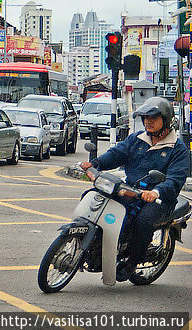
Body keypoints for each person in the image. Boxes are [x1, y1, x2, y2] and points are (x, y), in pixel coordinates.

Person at [79, 97, 190, 281]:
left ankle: (132, 262)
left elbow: (175, 179)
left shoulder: (177, 149)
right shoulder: (137, 139)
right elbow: (116, 154)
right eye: (146, 117)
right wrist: (94, 164)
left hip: (159, 199)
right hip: (131, 189)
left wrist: (156, 192)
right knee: (95, 198)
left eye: (154, 118)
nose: (148, 121)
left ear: (166, 120)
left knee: (143, 221)